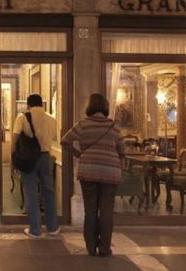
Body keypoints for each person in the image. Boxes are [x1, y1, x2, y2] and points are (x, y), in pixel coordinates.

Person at [61, 93, 124, 257]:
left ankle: (91, 247)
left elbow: (65, 141)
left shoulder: (83, 125)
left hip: (88, 170)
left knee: (90, 210)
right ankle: (104, 248)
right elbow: (122, 150)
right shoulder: (114, 127)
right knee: (106, 211)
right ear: (105, 107)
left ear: (89, 107)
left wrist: (78, 153)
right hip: (110, 172)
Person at [11, 93, 60, 238]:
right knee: (49, 192)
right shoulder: (52, 119)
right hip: (46, 156)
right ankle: (53, 227)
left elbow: (14, 140)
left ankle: (35, 229)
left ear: (28, 105)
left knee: (30, 191)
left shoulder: (22, 117)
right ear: (42, 104)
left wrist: (13, 159)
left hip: (29, 158)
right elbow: (53, 139)